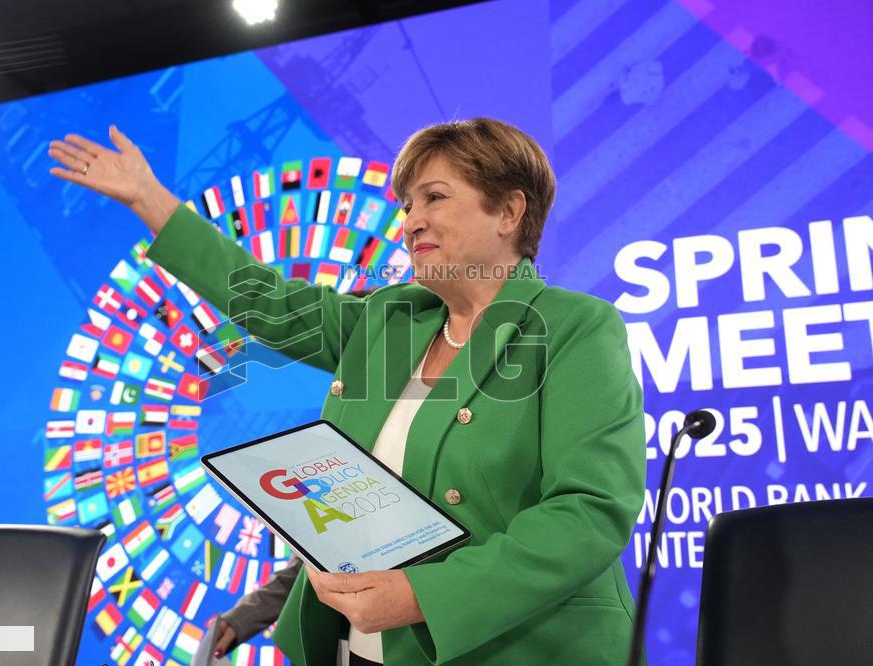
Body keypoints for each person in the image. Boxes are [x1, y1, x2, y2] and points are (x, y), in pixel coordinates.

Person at [49, 117, 647, 666]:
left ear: (510, 211)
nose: (411, 220)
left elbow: (588, 513)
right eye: (407, 204)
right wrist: (148, 199)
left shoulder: (578, 328)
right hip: (361, 649)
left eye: (434, 198)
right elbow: (264, 299)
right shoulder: (388, 321)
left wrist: (424, 595)